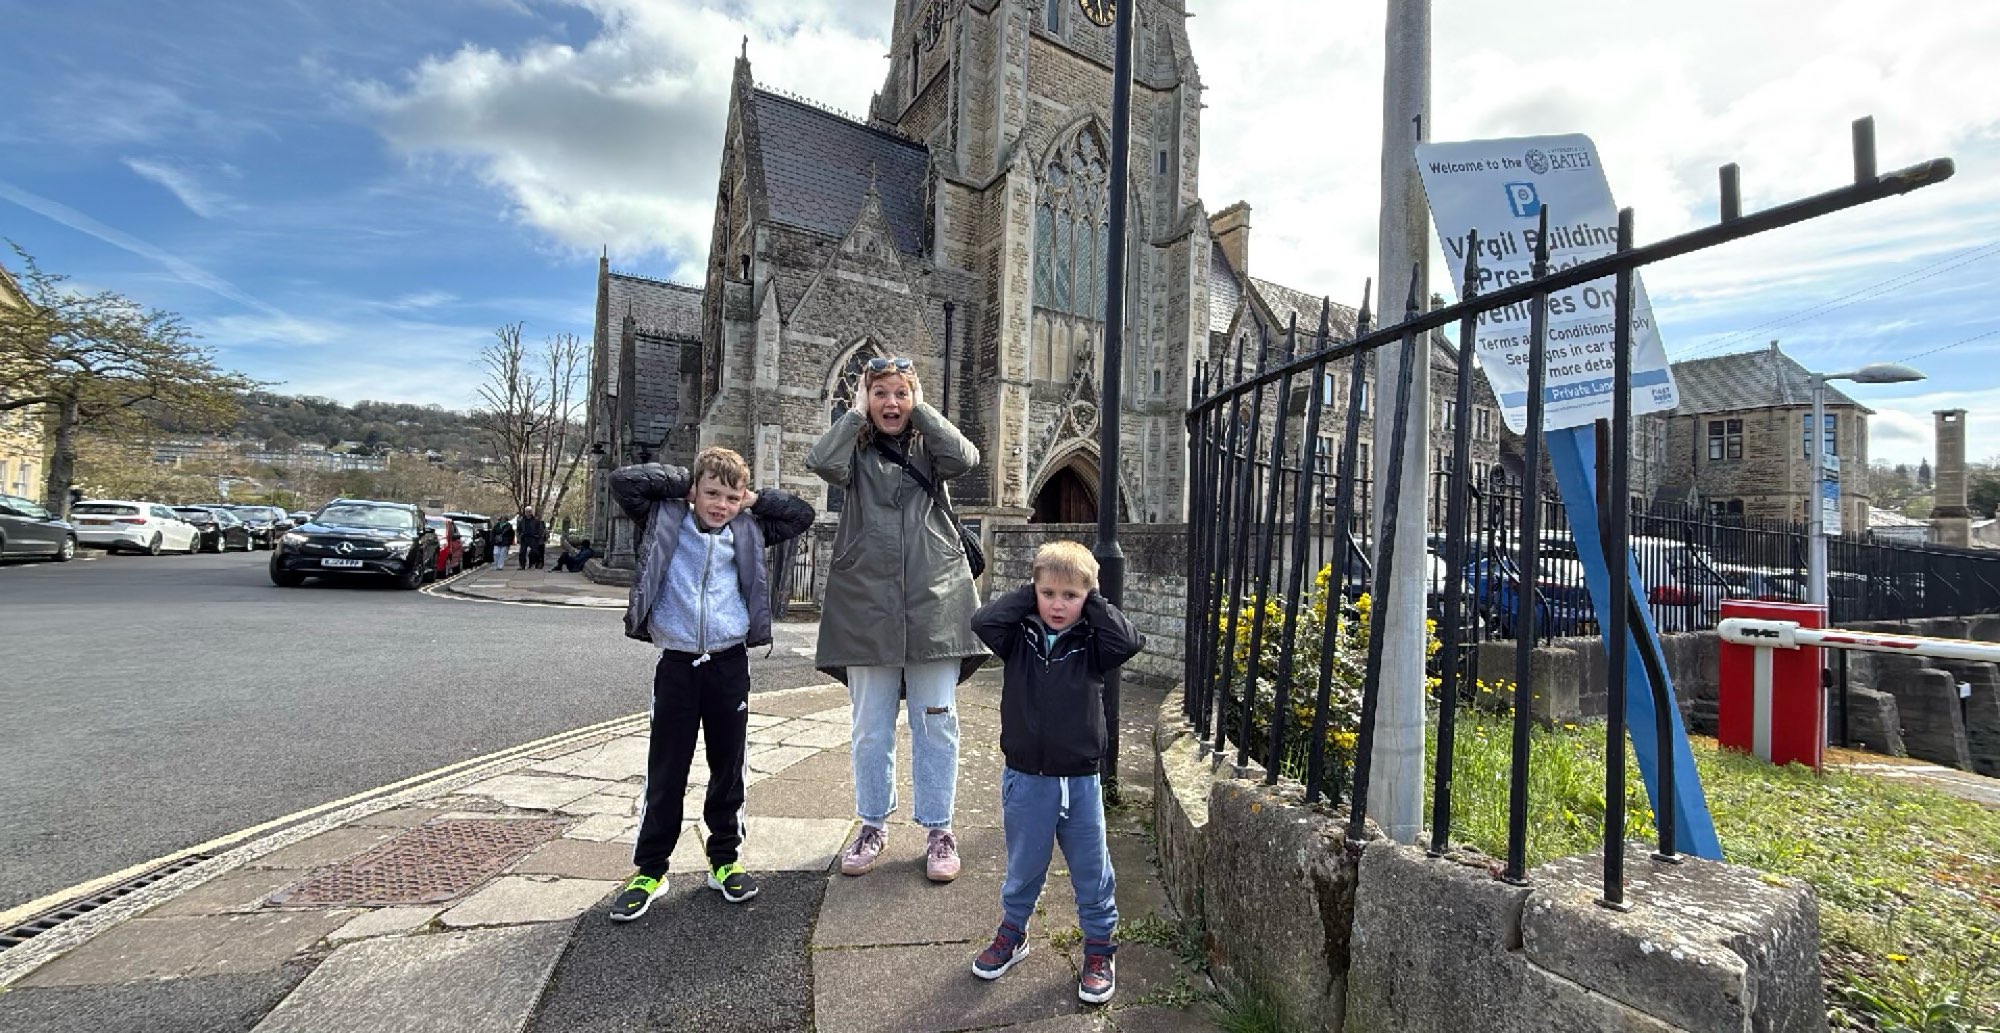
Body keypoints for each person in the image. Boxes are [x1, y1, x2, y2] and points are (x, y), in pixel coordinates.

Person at [605, 446, 815, 921]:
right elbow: (624, 481)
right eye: (712, 493)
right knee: (666, 770)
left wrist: (753, 499)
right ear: (693, 492)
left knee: (728, 767)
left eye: (731, 495)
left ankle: (724, 860)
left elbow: (800, 515)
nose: (720, 504)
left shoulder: (750, 528)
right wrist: (684, 481)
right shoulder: (663, 519)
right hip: (677, 663)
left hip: (728, 663)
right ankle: (650, 870)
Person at [805, 357, 986, 882]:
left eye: (900, 393)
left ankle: (938, 829)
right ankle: (872, 824)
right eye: (879, 393)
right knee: (870, 728)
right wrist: (855, 414)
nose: (891, 403)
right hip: (865, 606)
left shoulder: (932, 449)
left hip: (936, 604)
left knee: (937, 725)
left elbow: (966, 457)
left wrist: (923, 408)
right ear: (865, 399)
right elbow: (820, 461)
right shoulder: (854, 451)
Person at [967, 541, 1143, 1004]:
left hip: (1080, 780)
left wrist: (1094, 595)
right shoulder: (1018, 636)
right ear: (1034, 592)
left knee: (1092, 869)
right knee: (1024, 866)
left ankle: (1100, 947)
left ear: (1086, 598)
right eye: (1048, 593)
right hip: (1026, 778)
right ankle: (1013, 932)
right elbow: (983, 621)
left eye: (1069, 595)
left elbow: (1128, 641)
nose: (1057, 604)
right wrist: (1031, 592)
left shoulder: (1093, 642)